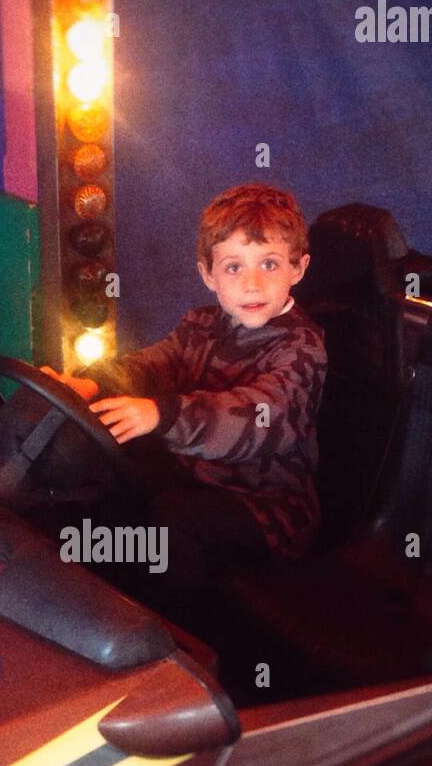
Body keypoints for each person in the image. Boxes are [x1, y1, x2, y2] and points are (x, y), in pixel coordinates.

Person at [43, 182, 328, 615]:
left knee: (176, 518)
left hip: (270, 507)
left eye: (269, 264)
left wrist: (165, 414)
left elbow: (259, 418)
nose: (251, 284)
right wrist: (94, 383)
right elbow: (153, 363)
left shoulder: (301, 348)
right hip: (199, 475)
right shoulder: (201, 324)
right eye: (233, 268)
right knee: (113, 477)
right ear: (208, 274)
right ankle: (96, 601)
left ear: (298, 269)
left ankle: (182, 640)